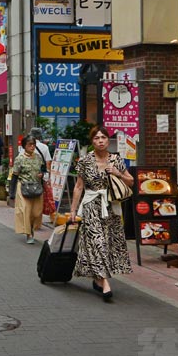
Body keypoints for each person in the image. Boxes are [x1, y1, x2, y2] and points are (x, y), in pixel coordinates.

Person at [70, 125, 134, 300]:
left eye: (103, 138)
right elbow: (78, 187)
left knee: (107, 243)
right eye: (97, 138)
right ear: (92, 142)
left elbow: (131, 182)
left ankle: (98, 280)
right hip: (91, 205)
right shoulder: (84, 161)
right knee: (97, 241)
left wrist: (118, 174)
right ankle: (105, 283)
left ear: (108, 140)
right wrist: (73, 211)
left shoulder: (116, 160)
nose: (100, 141)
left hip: (111, 207)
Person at [13, 135, 46, 244]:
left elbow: (43, 169)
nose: (32, 147)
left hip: (37, 187)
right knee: (26, 210)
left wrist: (42, 174)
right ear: (24, 146)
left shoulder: (38, 157)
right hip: (23, 187)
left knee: (36, 212)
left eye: (34, 144)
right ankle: (29, 234)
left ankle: (32, 227)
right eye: (29, 145)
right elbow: (15, 175)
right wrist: (12, 193)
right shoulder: (19, 158)